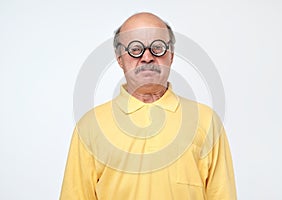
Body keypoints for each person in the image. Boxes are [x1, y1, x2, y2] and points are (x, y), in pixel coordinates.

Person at [60, 12, 237, 200]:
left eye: (157, 48)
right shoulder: (90, 126)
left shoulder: (207, 121)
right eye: (135, 49)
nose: (147, 57)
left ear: (171, 55)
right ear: (120, 58)